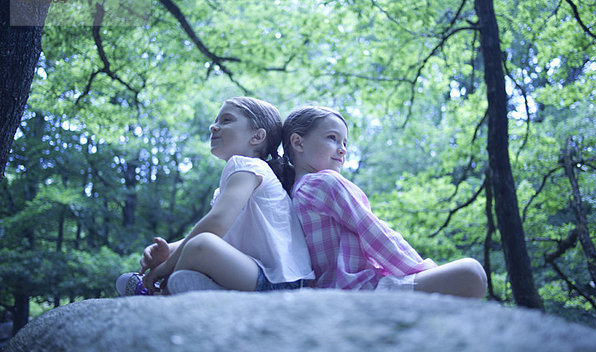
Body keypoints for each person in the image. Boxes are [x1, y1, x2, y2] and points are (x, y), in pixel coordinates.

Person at [282, 106, 487, 298]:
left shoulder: (296, 194)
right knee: (472, 273)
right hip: (360, 290)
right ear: (298, 142)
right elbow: (374, 233)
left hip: (335, 289)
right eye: (332, 138)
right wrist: (424, 270)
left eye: (345, 143)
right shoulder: (325, 182)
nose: (342, 149)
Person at [116, 97, 313, 295]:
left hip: (276, 280)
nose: (213, 126)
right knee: (197, 248)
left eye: (226, 120)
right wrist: (169, 249)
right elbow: (220, 233)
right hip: (257, 275)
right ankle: (191, 286)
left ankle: (157, 288)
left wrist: (165, 267)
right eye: (216, 120)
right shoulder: (231, 184)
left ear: (257, 136)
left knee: (201, 245)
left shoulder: (248, 166)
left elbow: (216, 224)